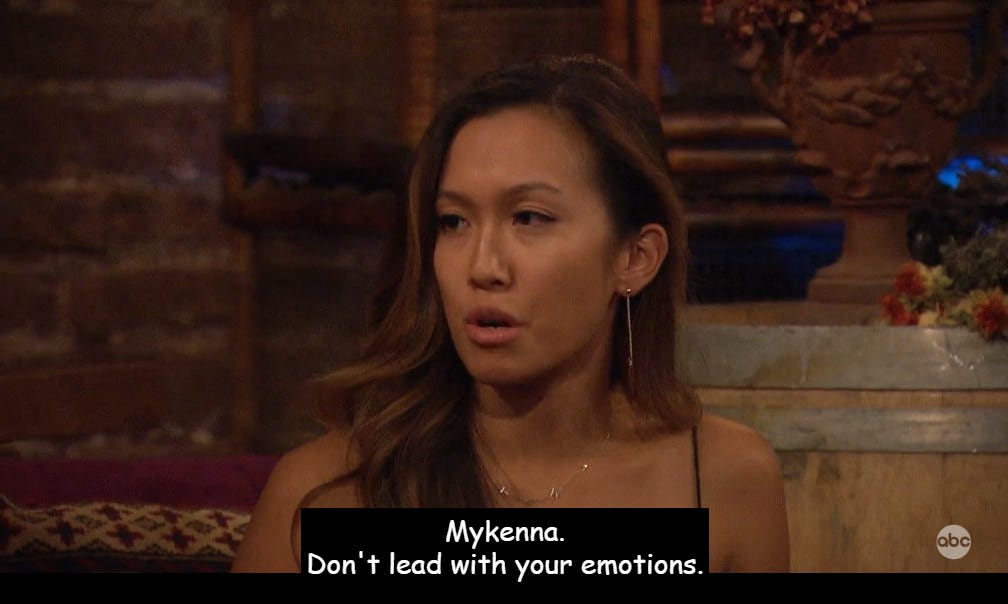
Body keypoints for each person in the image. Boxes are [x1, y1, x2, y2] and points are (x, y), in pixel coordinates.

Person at [231, 53, 790, 573]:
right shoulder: (326, 493)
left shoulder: (724, 480)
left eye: (529, 218)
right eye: (454, 222)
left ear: (634, 258)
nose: (483, 266)